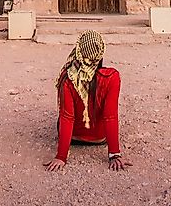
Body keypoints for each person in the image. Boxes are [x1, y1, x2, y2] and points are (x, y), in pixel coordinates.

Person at [45, 31, 129, 172]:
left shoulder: (68, 77)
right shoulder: (112, 77)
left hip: (74, 137)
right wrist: (115, 154)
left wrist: (61, 157)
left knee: (62, 116)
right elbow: (110, 116)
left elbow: (67, 118)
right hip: (100, 137)